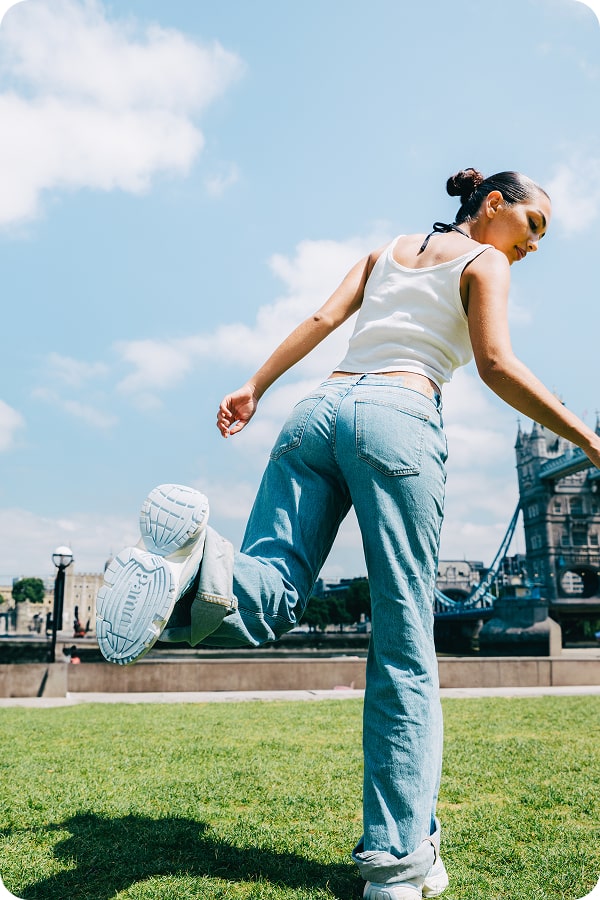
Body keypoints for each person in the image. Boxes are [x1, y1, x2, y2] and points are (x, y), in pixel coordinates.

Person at [96, 168, 600, 900]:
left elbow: (319, 320)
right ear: (494, 204)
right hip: (398, 415)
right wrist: (587, 438)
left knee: (268, 590)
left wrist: (253, 386)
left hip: (316, 411)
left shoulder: (383, 251)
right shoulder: (484, 261)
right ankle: (397, 864)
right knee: (404, 641)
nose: (534, 246)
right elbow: (495, 364)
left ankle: (192, 567)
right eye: (534, 226)